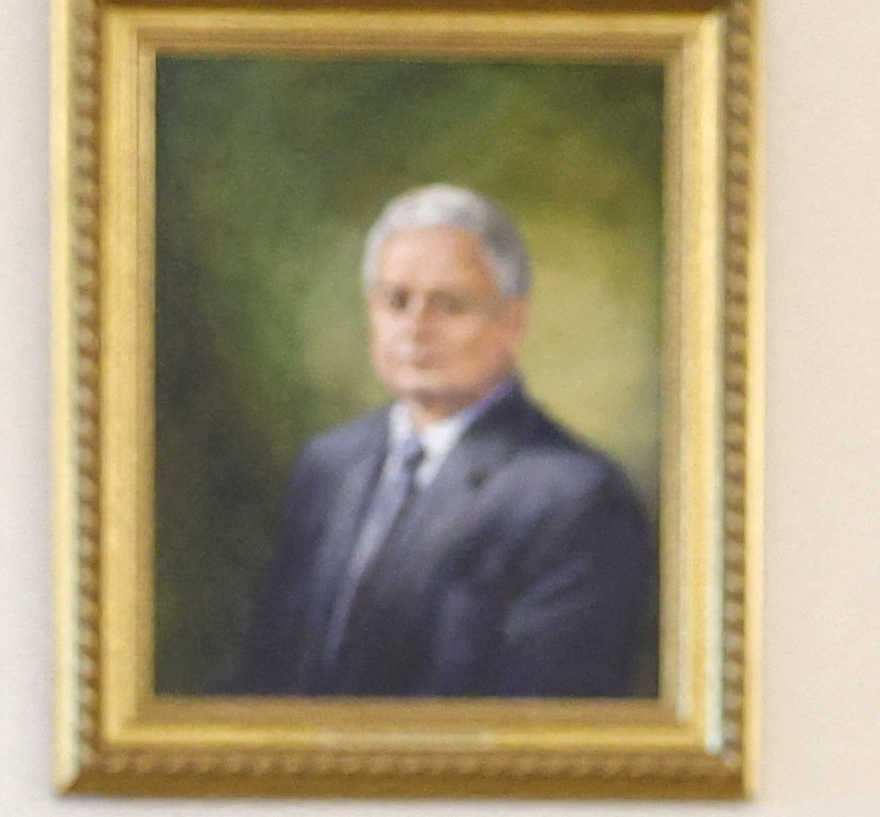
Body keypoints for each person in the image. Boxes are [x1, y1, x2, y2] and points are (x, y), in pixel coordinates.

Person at [222, 186, 657, 703]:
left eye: (449, 304)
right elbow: (265, 676)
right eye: (395, 300)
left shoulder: (574, 498)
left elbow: (544, 718)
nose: (414, 328)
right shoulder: (328, 467)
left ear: (512, 323)